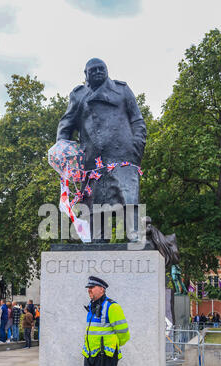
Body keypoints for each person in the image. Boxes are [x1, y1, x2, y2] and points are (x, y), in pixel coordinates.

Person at [57, 58, 147, 242]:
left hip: (123, 156)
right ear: (86, 74)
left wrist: (136, 145)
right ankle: (97, 243)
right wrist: (63, 152)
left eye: (101, 69)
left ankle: (136, 239)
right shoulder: (78, 95)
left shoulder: (122, 90)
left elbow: (137, 120)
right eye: (93, 70)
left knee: (129, 199)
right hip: (93, 162)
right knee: (96, 208)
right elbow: (65, 126)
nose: (98, 72)